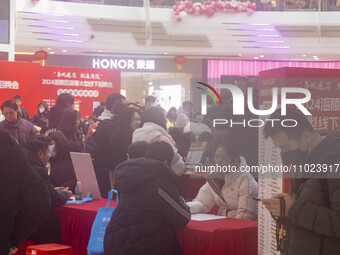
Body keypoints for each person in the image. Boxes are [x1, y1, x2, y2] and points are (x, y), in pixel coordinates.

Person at [261, 107, 340, 255]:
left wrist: (293, 208)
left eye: (285, 147)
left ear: (305, 136)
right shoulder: (301, 160)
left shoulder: (334, 160)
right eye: (280, 149)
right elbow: (298, 211)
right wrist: (282, 208)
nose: (284, 154)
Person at [104, 142, 190, 255]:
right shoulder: (160, 182)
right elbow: (183, 216)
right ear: (165, 161)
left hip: (115, 241)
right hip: (146, 245)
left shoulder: (129, 176)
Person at [0, 131, 51, 254]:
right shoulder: (8, 147)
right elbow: (40, 201)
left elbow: (39, 201)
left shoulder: (7, 147)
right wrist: (12, 240)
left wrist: (12, 239)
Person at [187, 142, 258, 220]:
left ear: (235, 161)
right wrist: (186, 207)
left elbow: (245, 215)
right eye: (216, 157)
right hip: (227, 221)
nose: (218, 161)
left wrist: (224, 213)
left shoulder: (245, 180)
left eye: (223, 158)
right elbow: (202, 203)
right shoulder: (214, 178)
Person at [91, 105, 141, 198]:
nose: (139, 122)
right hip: (121, 176)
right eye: (136, 119)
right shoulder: (119, 138)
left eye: (139, 119)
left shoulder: (134, 136)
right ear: (127, 120)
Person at [132, 107, 186, 176]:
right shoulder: (162, 139)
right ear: (161, 119)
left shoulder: (135, 135)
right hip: (160, 179)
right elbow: (178, 167)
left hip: (138, 177)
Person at [24, 136, 72, 208]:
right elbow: (55, 199)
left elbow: (39, 191)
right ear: (40, 154)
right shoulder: (39, 170)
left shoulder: (24, 162)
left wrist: (51, 190)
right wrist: (65, 194)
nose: (50, 156)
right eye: (48, 152)